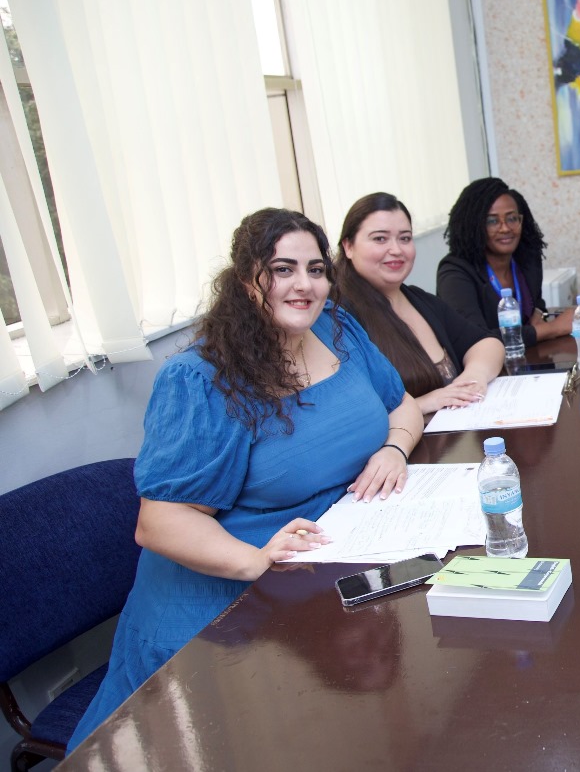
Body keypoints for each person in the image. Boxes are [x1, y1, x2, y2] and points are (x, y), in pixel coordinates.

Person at [69, 209, 423, 749]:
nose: (304, 285)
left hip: (322, 573)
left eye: (315, 268)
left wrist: (394, 449)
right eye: (282, 269)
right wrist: (255, 561)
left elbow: (404, 407)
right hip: (225, 613)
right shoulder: (202, 379)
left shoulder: (336, 327)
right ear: (245, 279)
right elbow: (160, 522)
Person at [336, 192, 505, 415]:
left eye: (404, 238)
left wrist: (474, 377)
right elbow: (349, 418)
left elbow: (486, 343)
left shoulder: (417, 299)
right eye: (380, 239)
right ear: (348, 246)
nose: (396, 250)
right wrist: (425, 403)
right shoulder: (338, 317)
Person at [436, 177, 574, 346]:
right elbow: (475, 339)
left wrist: (538, 312)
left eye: (512, 218)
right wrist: (554, 328)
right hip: (484, 368)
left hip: (527, 360)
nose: (505, 228)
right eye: (492, 221)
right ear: (474, 226)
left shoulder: (527, 258)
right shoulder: (455, 274)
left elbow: (536, 302)